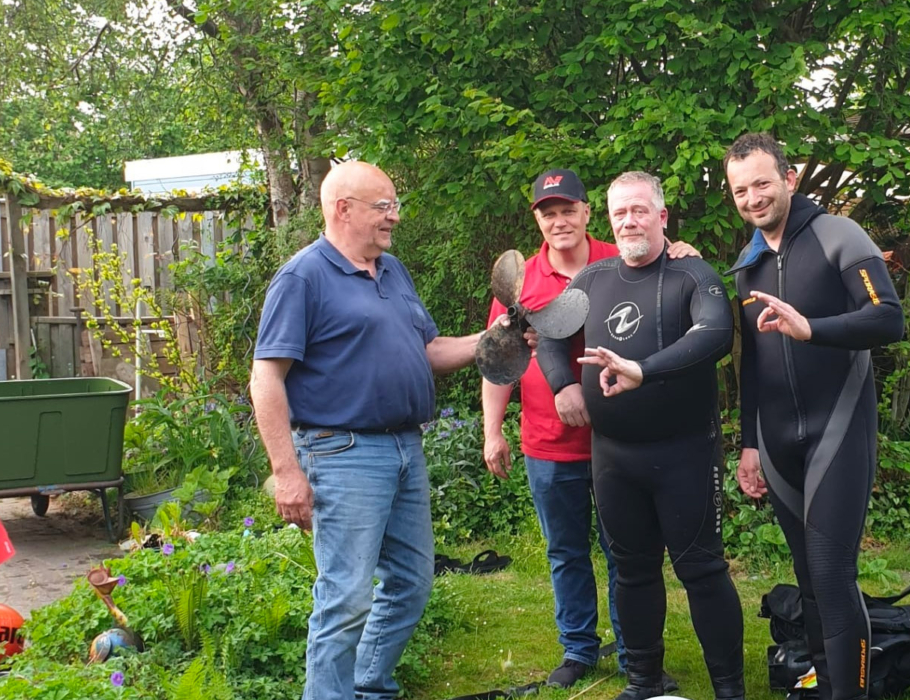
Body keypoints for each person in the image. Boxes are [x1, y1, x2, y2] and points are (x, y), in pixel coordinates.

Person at [250, 161, 486, 700]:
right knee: (345, 599)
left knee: (411, 582)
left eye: (394, 205)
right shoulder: (303, 277)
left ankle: (368, 687)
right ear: (343, 209)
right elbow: (266, 378)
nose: (394, 216)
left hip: (405, 448)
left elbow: (430, 350)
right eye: (383, 206)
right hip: (342, 452)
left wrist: (490, 339)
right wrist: (286, 472)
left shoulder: (392, 271)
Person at [481, 168, 697, 689]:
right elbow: (498, 360)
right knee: (565, 552)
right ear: (538, 220)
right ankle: (578, 649)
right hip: (547, 443)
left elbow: (663, 268)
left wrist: (681, 251)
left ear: (585, 213)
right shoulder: (520, 282)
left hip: (617, 439)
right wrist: (493, 431)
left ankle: (633, 652)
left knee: (629, 553)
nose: (559, 221)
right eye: (548, 213)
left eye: (567, 210)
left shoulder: (617, 259)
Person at [536, 171, 745, 700]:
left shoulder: (692, 274)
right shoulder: (592, 280)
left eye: (639, 210)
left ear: (661, 216)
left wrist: (643, 371)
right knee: (632, 572)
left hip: (684, 454)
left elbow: (716, 334)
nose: (629, 221)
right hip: (614, 457)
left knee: (702, 570)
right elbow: (549, 339)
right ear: (608, 220)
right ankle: (643, 681)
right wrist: (564, 386)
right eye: (619, 213)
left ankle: (730, 689)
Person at [724, 133, 905, 700]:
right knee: (808, 581)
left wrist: (812, 330)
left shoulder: (838, 235)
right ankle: (830, 687)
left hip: (838, 429)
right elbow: (752, 362)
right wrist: (749, 443)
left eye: (762, 183)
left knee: (831, 575)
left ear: (790, 178)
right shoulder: (748, 265)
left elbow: (889, 319)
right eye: (740, 191)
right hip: (777, 440)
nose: (753, 198)